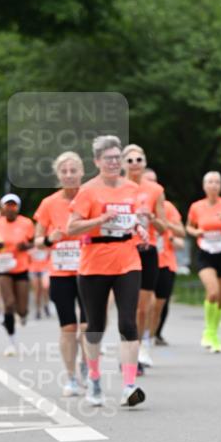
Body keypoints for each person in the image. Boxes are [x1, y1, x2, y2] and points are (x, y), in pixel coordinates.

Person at [67, 135, 146, 408]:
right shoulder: (88, 190)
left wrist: (141, 232)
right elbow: (71, 227)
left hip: (128, 260)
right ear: (97, 161)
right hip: (94, 263)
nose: (114, 162)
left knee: (127, 322)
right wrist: (100, 219)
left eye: (117, 157)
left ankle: (128, 385)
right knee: (96, 326)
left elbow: (135, 221)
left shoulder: (131, 189)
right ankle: (95, 378)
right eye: (108, 158)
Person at [33, 151, 88, 396]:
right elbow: (36, 241)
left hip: (89, 270)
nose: (69, 175)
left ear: (82, 173)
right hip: (60, 272)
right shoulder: (49, 203)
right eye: (64, 171)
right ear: (58, 175)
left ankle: (88, 366)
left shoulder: (91, 197)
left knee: (88, 326)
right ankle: (71, 378)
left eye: (73, 170)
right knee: (68, 327)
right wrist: (48, 238)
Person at [186, 171, 221, 353]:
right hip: (205, 253)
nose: (214, 185)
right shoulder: (196, 207)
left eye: (217, 182)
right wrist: (196, 233)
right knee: (213, 292)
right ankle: (208, 332)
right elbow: (189, 227)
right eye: (210, 182)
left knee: (220, 299)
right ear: (204, 186)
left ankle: (214, 333)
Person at [122, 143, 166, 370]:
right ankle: (130, 349)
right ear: (123, 164)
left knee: (143, 307)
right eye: (129, 160)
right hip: (123, 250)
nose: (134, 164)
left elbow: (163, 227)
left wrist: (151, 217)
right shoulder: (116, 187)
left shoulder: (155, 190)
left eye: (138, 159)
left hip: (147, 251)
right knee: (127, 305)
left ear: (145, 162)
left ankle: (138, 348)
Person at [0, 194, 34, 356]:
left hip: (21, 268)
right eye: (7, 205)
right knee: (9, 303)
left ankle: (23, 315)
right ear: (3, 208)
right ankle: (12, 342)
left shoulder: (26, 223)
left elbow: (35, 242)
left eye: (13, 205)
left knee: (22, 309)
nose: (10, 208)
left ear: (17, 207)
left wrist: (25, 246)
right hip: (3, 268)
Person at [142, 169, 185, 344]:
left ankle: (150, 336)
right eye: (148, 181)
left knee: (159, 305)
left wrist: (162, 223)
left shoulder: (167, 207)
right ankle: (142, 339)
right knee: (147, 303)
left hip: (165, 261)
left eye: (155, 181)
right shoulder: (133, 203)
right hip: (143, 258)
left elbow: (181, 232)